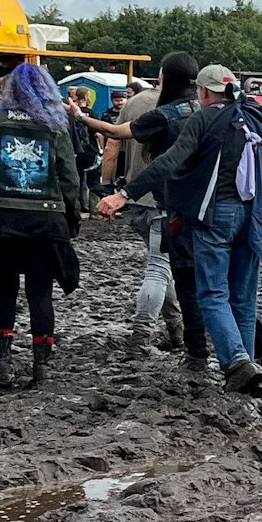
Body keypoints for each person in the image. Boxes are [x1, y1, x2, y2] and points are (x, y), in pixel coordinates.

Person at [100, 64, 262, 395]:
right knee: (243, 297)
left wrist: (125, 193)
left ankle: (238, 362)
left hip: (216, 214)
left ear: (205, 92)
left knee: (211, 293)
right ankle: (247, 370)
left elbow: (170, 161)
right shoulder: (254, 115)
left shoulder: (203, 118)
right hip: (254, 213)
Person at [69, 51, 206, 364]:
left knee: (161, 267)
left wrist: (79, 117)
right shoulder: (203, 110)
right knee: (166, 267)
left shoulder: (151, 109)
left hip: (146, 199)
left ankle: (158, 331)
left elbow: (114, 137)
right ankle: (161, 332)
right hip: (189, 204)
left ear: (165, 75)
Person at [0, 63, 82, 388]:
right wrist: (72, 219)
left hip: (1, 218)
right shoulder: (55, 125)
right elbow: (70, 177)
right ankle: (42, 367)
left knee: (4, 288)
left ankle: (2, 362)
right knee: (41, 292)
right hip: (46, 219)